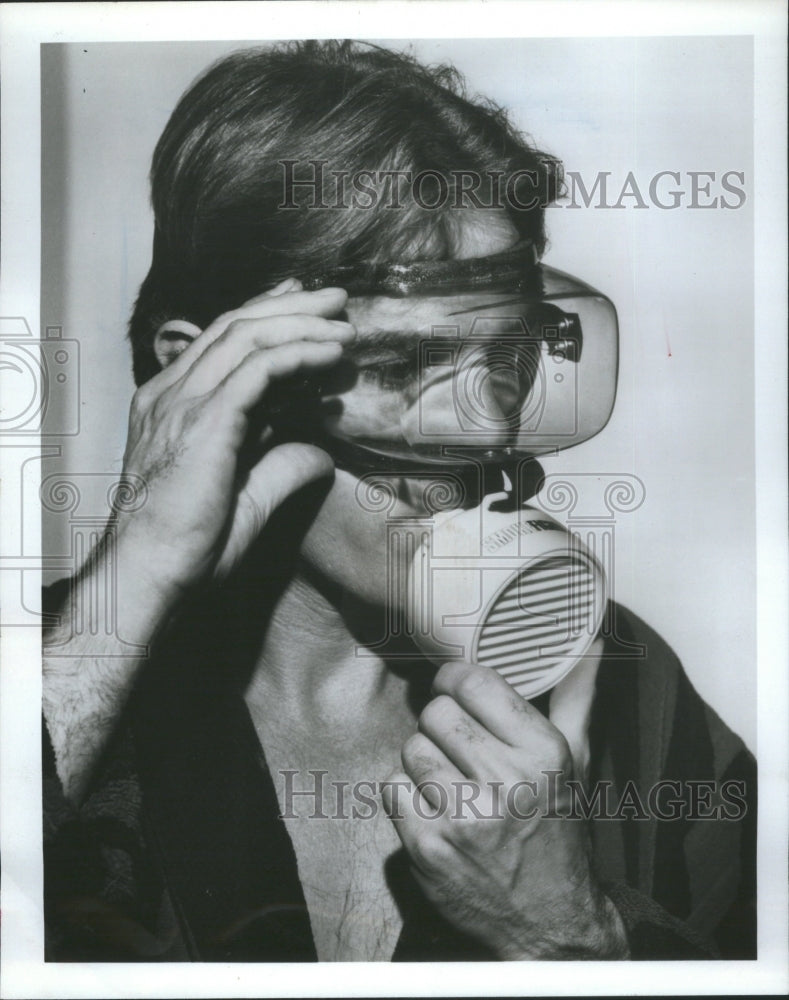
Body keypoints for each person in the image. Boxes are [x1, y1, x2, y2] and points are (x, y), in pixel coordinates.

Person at [42, 40, 755, 962]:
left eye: (504, 362)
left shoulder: (635, 701)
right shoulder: (62, 673)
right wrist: (125, 592)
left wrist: (571, 937)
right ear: (208, 376)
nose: (485, 437)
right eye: (397, 366)